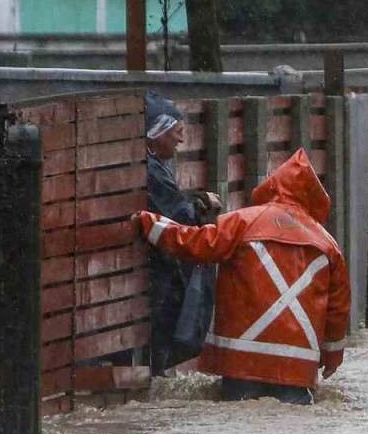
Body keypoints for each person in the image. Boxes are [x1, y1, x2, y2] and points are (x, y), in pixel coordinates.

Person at [133, 148, 351, 404]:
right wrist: (332, 357)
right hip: (296, 368)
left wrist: (150, 223)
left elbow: (195, 243)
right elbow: (338, 310)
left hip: (240, 361)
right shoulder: (328, 244)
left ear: (273, 185)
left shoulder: (243, 222)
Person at [143, 92, 221, 375]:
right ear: (157, 132)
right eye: (176, 132)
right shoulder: (152, 171)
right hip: (157, 277)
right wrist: (202, 207)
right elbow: (178, 217)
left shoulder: (152, 166)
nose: (181, 140)